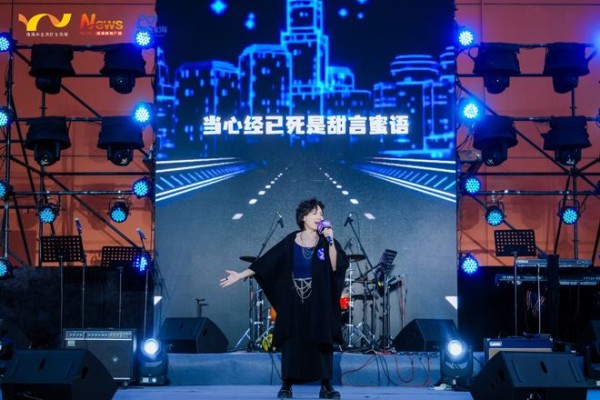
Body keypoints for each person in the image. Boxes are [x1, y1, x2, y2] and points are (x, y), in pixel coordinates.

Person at [220, 198, 349, 399]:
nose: (320, 217)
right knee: (292, 341)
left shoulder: (326, 241)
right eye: (315, 213)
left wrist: (331, 240)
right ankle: (287, 385)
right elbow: (266, 262)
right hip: (294, 297)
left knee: (321, 340)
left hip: (319, 300)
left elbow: (336, 266)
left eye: (321, 214)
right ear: (303, 217)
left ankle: (326, 386)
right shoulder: (291, 240)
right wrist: (240, 275)